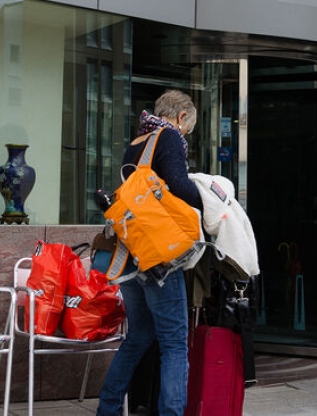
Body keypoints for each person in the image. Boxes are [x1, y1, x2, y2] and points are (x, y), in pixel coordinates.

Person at [97, 90, 202, 416]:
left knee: (139, 336)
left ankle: (108, 409)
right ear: (182, 117)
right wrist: (211, 198)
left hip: (130, 254)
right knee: (173, 343)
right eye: (188, 129)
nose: (185, 135)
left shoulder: (137, 143)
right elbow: (179, 187)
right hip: (159, 257)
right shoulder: (169, 138)